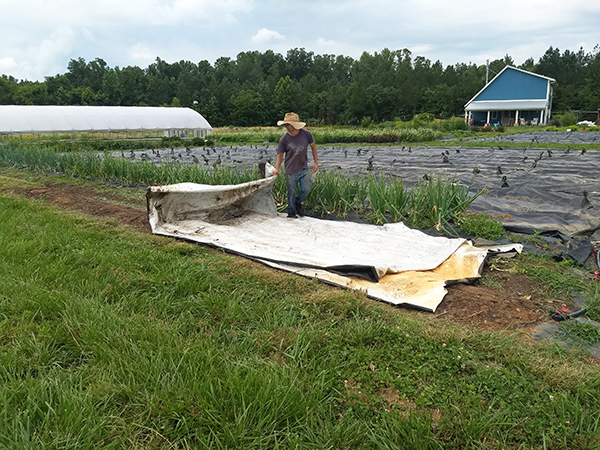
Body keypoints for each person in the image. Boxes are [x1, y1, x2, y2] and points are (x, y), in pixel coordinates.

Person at [273, 112, 318, 218]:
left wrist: (316, 162)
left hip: (303, 168)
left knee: (306, 188)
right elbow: (280, 155)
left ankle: (297, 203)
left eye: (288, 124)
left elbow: (313, 147)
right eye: (286, 125)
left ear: (294, 125)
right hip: (290, 170)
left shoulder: (306, 134)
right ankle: (291, 212)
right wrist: (277, 168)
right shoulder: (284, 139)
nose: (287, 127)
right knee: (291, 192)